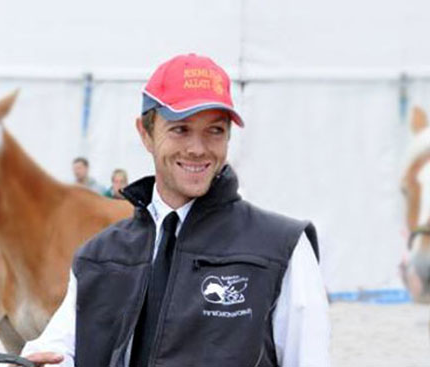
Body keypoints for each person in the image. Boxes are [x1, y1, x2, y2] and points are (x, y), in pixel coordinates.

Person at [22, 54, 329, 367]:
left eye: (215, 130)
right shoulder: (99, 257)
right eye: (180, 129)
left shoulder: (282, 249)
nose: (198, 148)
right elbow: (60, 350)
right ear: (145, 133)